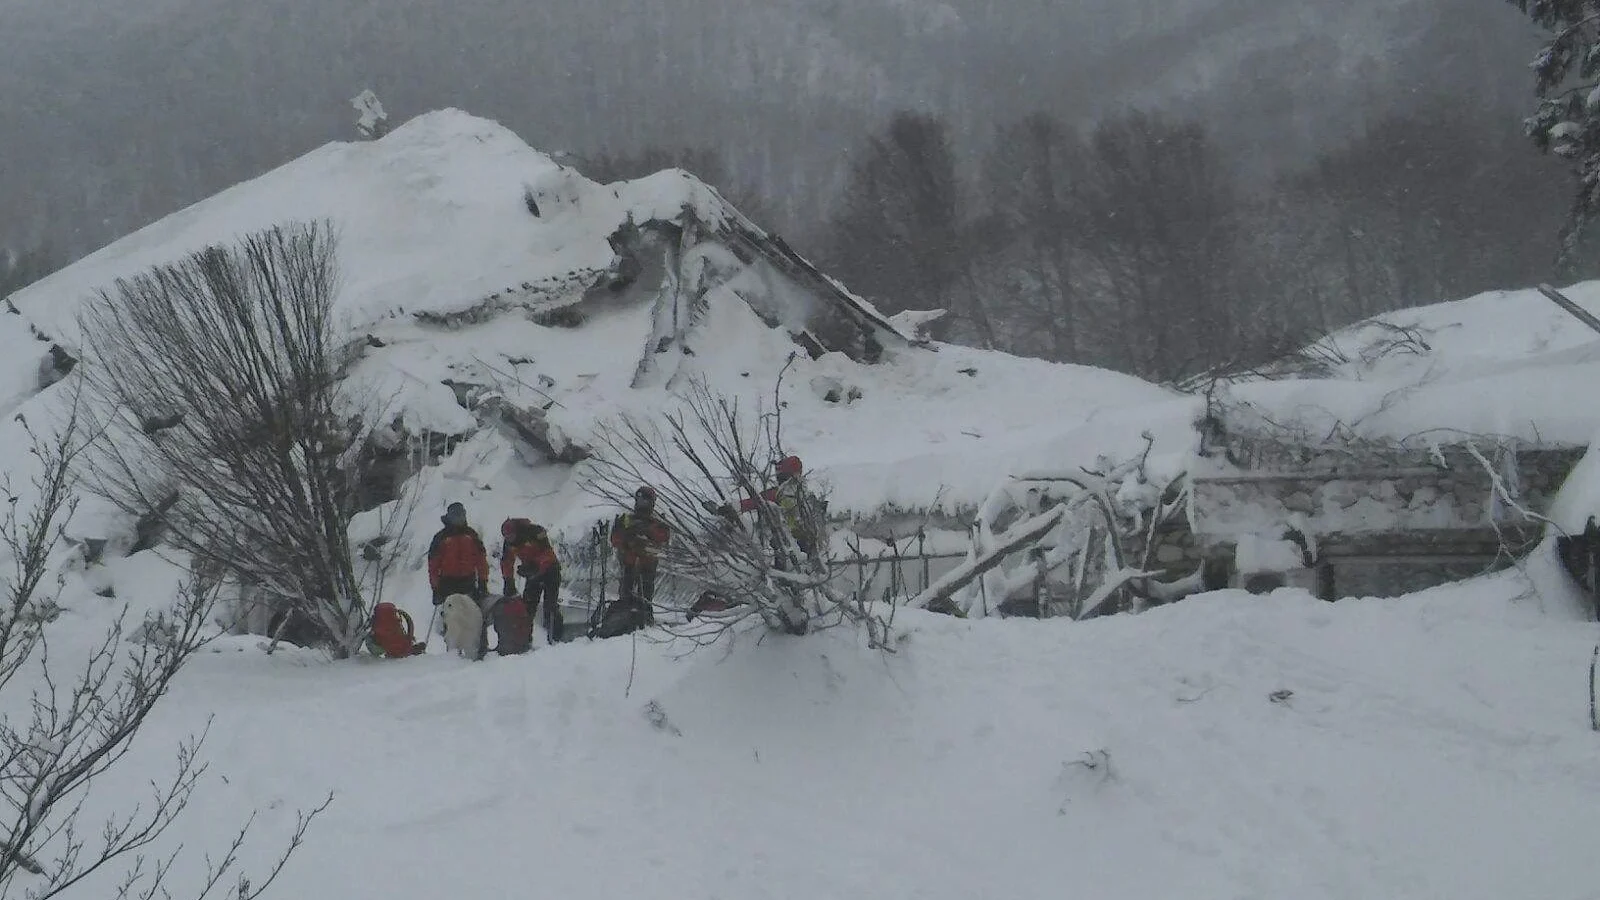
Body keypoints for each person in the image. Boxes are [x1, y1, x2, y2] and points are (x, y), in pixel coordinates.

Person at [704, 455, 820, 558]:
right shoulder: (805, 492)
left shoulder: (780, 493)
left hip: (789, 541)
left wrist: (729, 508)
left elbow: (755, 502)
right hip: (807, 540)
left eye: (780, 476)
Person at [606, 486, 670, 633]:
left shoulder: (656, 521)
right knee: (626, 596)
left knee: (645, 597)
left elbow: (664, 536)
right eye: (640, 500)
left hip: (647, 563)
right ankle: (624, 623)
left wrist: (647, 532)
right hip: (629, 563)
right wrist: (628, 539)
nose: (642, 504)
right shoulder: (626, 519)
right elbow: (615, 539)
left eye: (645, 501)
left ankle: (645, 623)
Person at [427, 502, 490, 652]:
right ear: (449, 517)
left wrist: (482, 581)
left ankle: (480, 646)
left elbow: (481, 559)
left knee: (475, 615)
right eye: (455, 516)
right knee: (451, 619)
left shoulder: (471, 535)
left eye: (461, 516)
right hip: (447, 582)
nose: (459, 519)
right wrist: (435, 587)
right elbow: (433, 565)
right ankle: (452, 649)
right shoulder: (441, 538)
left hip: (468, 580)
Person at [500, 517, 563, 643]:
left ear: (516, 532)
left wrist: (535, 566)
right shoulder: (508, 543)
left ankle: (555, 639)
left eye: (511, 536)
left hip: (550, 571)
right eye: (506, 537)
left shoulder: (535, 532)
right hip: (532, 574)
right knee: (527, 608)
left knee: (550, 606)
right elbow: (506, 562)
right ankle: (524, 640)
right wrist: (508, 581)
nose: (509, 539)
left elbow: (547, 554)